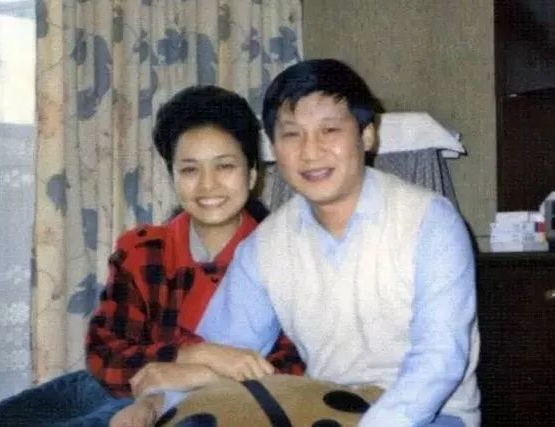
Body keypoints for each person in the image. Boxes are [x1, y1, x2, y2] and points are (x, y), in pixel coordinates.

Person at [168, 59, 481, 427]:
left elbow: (440, 358)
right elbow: (223, 348)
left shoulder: (431, 221)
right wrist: (157, 405)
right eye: (292, 135)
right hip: (327, 409)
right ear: (274, 148)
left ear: (367, 135)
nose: (310, 151)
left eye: (329, 130)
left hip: (432, 414)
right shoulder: (265, 246)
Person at [86, 85, 304, 425]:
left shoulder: (282, 253)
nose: (207, 185)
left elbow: (295, 367)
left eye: (224, 166)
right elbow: (105, 355)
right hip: (132, 400)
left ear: (252, 174)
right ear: (172, 176)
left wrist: (192, 376)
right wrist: (197, 355)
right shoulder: (142, 252)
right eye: (189, 169)